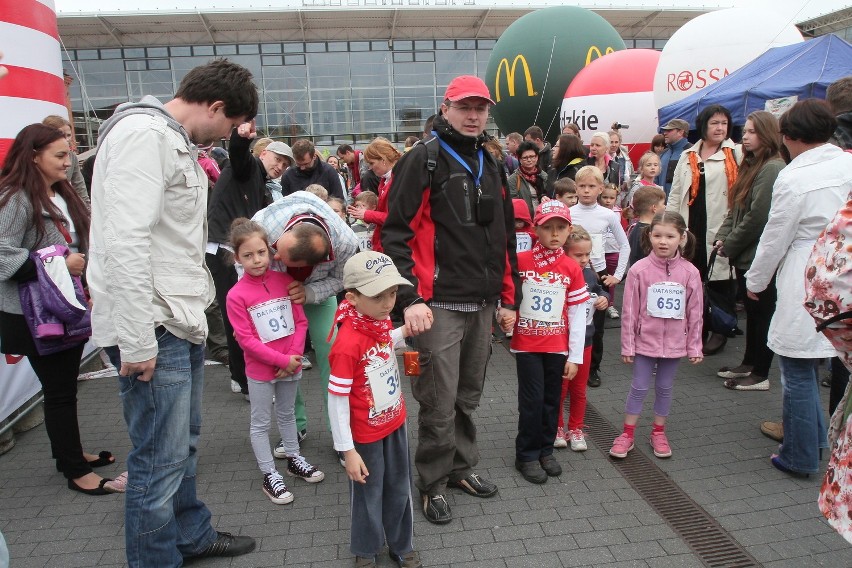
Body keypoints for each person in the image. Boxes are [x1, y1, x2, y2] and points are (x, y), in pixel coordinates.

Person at [88, 59, 259, 565]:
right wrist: (138, 339)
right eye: (229, 127)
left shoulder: (168, 138)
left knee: (180, 447)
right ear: (217, 107)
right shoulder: (145, 137)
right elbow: (126, 241)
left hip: (173, 320)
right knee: (158, 460)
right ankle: (156, 558)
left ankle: (190, 534)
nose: (225, 137)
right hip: (154, 326)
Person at [382, 75, 520, 524]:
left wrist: (508, 297)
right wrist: (409, 299)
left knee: (467, 395)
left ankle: (461, 468)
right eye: (465, 106)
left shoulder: (492, 161)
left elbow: (505, 238)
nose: (474, 114)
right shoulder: (422, 160)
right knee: (437, 400)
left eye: (481, 107)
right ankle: (433, 482)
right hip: (435, 304)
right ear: (446, 108)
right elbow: (394, 235)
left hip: (481, 304)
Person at [0, 123, 123, 495]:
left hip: (59, 310)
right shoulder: (16, 197)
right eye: (59, 155)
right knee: (59, 391)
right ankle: (75, 471)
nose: (67, 160)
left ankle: (69, 455)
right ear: (33, 156)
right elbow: (2, 252)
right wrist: (58, 264)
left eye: (68, 152)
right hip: (34, 315)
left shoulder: (58, 191)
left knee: (63, 388)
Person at [746, 99, 847, 477]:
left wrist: (755, 281)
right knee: (827, 361)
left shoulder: (793, 177)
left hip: (808, 270)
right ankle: (819, 441)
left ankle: (799, 454)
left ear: (790, 137)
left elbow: (775, 237)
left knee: (798, 369)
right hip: (845, 270)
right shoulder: (848, 162)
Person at [328, 251, 422, 568]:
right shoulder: (346, 342)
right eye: (378, 295)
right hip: (365, 435)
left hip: (395, 421)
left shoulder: (378, 320)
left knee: (399, 487)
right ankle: (366, 549)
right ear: (352, 298)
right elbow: (337, 399)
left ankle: (401, 543)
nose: (388, 303)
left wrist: (402, 333)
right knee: (368, 494)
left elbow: (382, 341)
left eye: (393, 293)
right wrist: (347, 450)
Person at [251, 191, 359, 463]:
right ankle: (294, 427)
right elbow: (245, 266)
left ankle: (341, 435)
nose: (274, 259)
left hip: (318, 295)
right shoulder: (263, 224)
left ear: (314, 263)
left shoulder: (346, 243)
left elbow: (343, 279)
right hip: (274, 301)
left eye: (284, 260)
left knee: (335, 360)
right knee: (285, 361)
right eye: (276, 250)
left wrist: (310, 292)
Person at [225, 217, 324, 506]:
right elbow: (246, 339)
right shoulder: (236, 295)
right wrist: (282, 359)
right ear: (237, 258)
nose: (256, 260)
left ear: (270, 251)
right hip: (260, 370)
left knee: (287, 414)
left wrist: (292, 358)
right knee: (260, 423)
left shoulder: (285, 281)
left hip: (289, 365)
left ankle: (294, 459)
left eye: (261, 253)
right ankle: (269, 473)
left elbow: (300, 322)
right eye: (248, 255)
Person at [208, 122, 295, 398]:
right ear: (265, 153)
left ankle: (244, 376)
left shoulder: (261, 182)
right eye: (278, 159)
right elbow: (238, 155)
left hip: (233, 249)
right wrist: (241, 137)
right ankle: (244, 380)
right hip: (226, 251)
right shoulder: (247, 168)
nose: (280, 166)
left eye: (285, 164)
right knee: (239, 316)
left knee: (243, 314)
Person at [611, 212, 703, 459]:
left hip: (674, 343)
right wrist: (628, 345)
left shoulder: (690, 272)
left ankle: (658, 432)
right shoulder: (639, 270)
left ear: (682, 238)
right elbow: (629, 310)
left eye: (670, 236)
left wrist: (694, 346)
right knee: (639, 387)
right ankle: (627, 433)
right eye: (658, 235)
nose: (664, 241)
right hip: (644, 343)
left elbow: (696, 313)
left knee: (664, 388)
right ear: (649, 236)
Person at [511, 200, 588, 484]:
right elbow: (506, 296)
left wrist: (575, 356)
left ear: (569, 230)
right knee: (532, 400)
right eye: (547, 228)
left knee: (551, 400)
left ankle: (545, 450)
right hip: (528, 344)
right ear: (536, 229)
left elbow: (579, 313)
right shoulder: (521, 261)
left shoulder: (571, 267)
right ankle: (527, 454)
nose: (554, 234)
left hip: (558, 345)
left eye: (561, 228)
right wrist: (504, 316)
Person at [713, 111, 785, 391]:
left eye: (753, 131)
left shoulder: (772, 167)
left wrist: (730, 245)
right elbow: (737, 209)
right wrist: (722, 237)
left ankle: (761, 372)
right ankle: (749, 363)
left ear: (767, 134)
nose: (745, 135)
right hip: (746, 255)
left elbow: (758, 217)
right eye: (746, 130)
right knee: (754, 314)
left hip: (758, 256)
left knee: (762, 314)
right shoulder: (751, 164)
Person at [667, 105, 742, 355]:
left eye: (724, 123)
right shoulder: (689, 154)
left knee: (720, 280)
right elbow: (676, 192)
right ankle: (698, 326)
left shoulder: (736, 153)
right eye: (714, 123)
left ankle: (720, 328)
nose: (720, 128)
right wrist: (671, 225)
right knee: (693, 278)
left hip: (721, 223)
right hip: (692, 224)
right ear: (703, 126)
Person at [569, 166, 630, 388]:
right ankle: (570, 363)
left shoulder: (607, 214)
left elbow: (624, 245)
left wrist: (617, 275)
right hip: (573, 273)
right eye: (582, 186)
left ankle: (593, 368)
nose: (586, 191)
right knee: (573, 320)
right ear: (575, 187)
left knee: (597, 325)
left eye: (591, 186)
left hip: (599, 275)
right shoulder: (569, 213)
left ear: (600, 188)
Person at [555, 226, 609, 451]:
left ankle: (576, 428)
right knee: (560, 388)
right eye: (579, 255)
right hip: (560, 342)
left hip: (586, 341)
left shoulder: (588, 273)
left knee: (579, 389)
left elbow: (600, 289)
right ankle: (556, 427)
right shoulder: (559, 273)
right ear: (565, 252)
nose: (585, 259)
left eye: (588, 254)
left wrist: (605, 298)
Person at [346, 137, 401, 253]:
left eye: (372, 163)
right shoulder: (386, 180)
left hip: (396, 244)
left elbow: (396, 218)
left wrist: (367, 214)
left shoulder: (397, 181)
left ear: (383, 159)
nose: (370, 167)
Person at [41, 115, 89, 206]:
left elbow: (79, 185)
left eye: (69, 135)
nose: (66, 139)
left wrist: (87, 208)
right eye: (61, 134)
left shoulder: (72, 156)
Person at [281, 139, 345, 199]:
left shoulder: (329, 171)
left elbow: (338, 199)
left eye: (306, 164)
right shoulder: (288, 176)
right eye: (298, 164)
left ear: (314, 156)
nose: (302, 168)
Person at [508, 140, 549, 219]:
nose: (529, 160)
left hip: (544, 218)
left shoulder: (544, 176)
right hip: (524, 220)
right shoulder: (513, 179)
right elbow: (512, 202)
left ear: (537, 157)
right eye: (525, 158)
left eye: (532, 156)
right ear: (519, 159)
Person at [627, 185, 666, 267]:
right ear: (654, 208)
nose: (665, 207)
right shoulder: (649, 232)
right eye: (663, 204)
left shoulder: (635, 228)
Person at [655, 118, 692, 197]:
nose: (665, 133)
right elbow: (656, 180)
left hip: (683, 206)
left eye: (669, 130)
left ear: (680, 132)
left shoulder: (692, 152)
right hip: (662, 205)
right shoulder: (663, 154)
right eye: (665, 130)